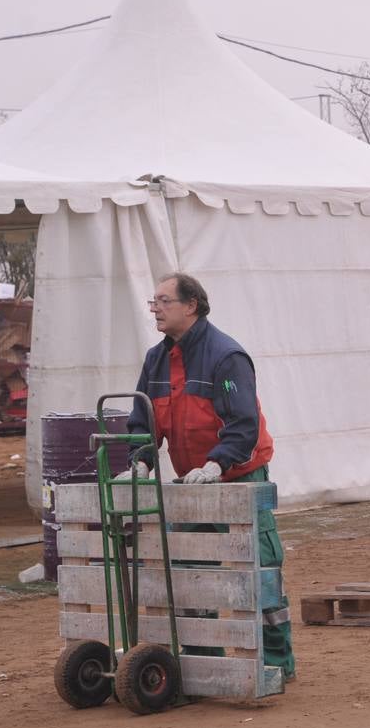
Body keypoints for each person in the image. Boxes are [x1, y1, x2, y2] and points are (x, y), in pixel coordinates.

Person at [118, 272, 294, 680]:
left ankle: (276, 664)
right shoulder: (156, 360)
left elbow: (243, 423)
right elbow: (144, 420)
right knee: (191, 572)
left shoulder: (225, 356)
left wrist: (217, 464)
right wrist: (141, 459)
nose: (155, 309)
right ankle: (204, 663)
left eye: (163, 301)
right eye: (153, 302)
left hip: (239, 478)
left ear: (190, 305)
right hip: (192, 485)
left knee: (259, 568)